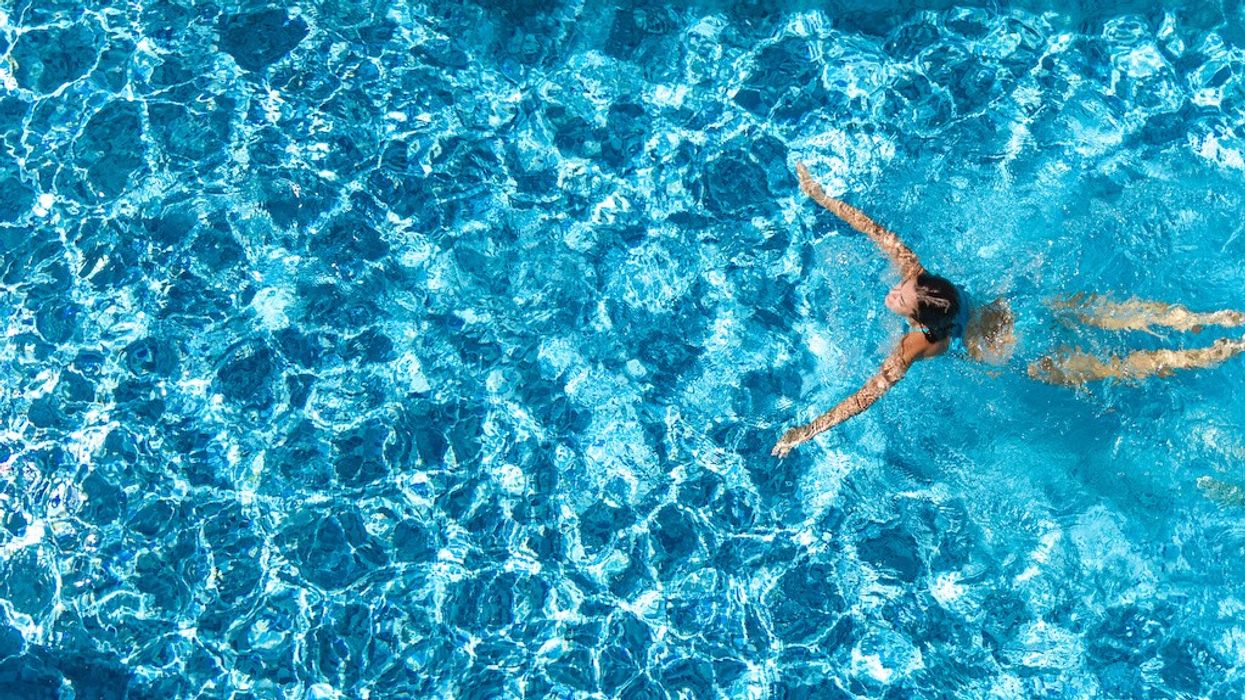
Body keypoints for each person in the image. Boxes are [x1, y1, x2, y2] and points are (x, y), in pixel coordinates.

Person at [772, 163, 1245, 458]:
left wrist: (806, 431)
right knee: (1116, 315)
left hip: (1021, 356)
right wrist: (821, 197)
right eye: (902, 287)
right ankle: (1219, 322)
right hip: (1025, 313)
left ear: (921, 320)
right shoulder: (929, 284)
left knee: (1115, 366)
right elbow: (877, 232)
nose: (896, 290)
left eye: (902, 296)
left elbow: (863, 398)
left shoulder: (916, 345)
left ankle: (1202, 353)